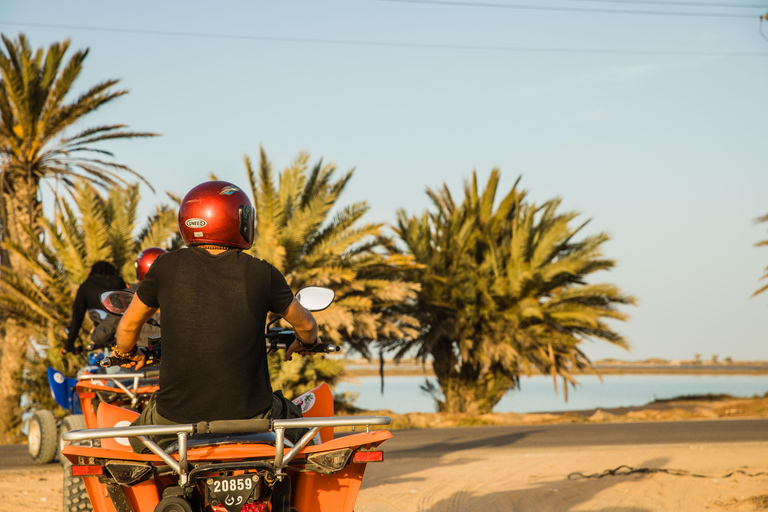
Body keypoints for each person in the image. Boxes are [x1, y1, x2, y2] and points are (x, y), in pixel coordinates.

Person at [113, 181, 319, 452]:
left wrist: (125, 353)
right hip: (253, 417)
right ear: (238, 220)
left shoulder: (165, 267)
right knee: (303, 434)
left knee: (133, 444)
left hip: (174, 418)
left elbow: (128, 325)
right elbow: (306, 324)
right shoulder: (261, 273)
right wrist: (305, 343)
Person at [89, 247, 166, 349]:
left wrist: (95, 333)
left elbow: (102, 334)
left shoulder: (127, 296)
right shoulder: (178, 293)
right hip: (172, 359)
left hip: (139, 358)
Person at [62, 261, 127, 355]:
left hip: (104, 337)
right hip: (124, 334)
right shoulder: (119, 281)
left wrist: (68, 345)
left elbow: (77, 318)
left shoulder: (86, 286)